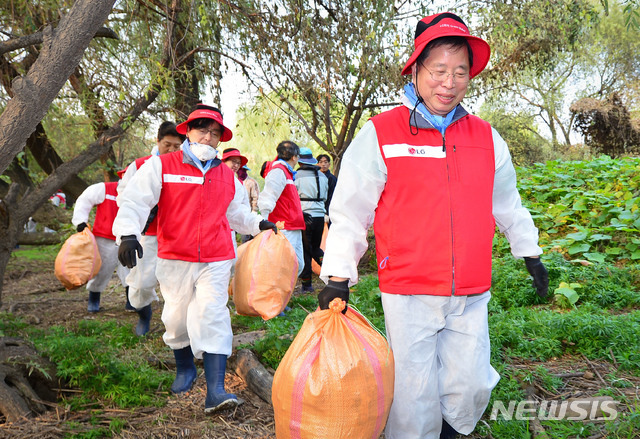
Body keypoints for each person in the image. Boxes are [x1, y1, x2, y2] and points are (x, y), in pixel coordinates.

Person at [317, 12, 549, 439]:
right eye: (439, 70)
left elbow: (507, 204)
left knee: (471, 387)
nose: (450, 81)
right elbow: (350, 211)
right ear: (416, 70)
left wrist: (529, 250)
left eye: (460, 71)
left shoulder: (487, 138)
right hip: (409, 288)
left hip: (471, 289)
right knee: (412, 395)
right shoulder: (381, 134)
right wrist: (337, 275)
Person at [112, 104, 277, 414]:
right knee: (176, 318)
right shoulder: (162, 166)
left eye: (215, 133)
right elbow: (135, 200)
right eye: (202, 129)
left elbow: (236, 212)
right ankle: (185, 367)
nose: (208, 136)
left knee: (213, 314)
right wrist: (128, 234)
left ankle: (215, 390)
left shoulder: (227, 175)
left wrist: (257, 224)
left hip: (216, 256)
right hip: (175, 255)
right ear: (187, 131)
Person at [117, 121, 185, 336]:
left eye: (177, 146)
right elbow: (124, 196)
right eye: (168, 145)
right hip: (149, 234)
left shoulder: (185, 166)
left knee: (178, 286)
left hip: (176, 234)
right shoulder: (140, 165)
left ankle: (177, 329)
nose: (172, 150)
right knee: (141, 283)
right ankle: (144, 315)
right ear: (157, 141)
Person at [72, 179, 130, 313]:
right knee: (101, 269)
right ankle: (93, 300)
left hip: (128, 237)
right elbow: (84, 200)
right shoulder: (105, 189)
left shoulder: (139, 191)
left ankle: (131, 301)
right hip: (104, 237)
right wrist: (80, 221)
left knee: (130, 269)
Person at [258, 141, 305, 276]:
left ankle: (282, 292)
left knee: (297, 264)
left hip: (293, 225)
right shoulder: (279, 171)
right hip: (284, 225)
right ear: (294, 157)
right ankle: (274, 293)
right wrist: (264, 220)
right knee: (284, 263)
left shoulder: (287, 172)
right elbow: (268, 196)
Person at [295, 147, 328, 292]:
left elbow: (292, 197)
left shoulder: (296, 175)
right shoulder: (322, 176)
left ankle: (307, 285)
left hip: (305, 216)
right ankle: (332, 270)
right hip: (320, 216)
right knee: (315, 248)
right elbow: (325, 197)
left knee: (305, 250)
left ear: (299, 161)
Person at [315, 154, 336, 221]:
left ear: (329, 164)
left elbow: (332, 196)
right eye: (321, 162)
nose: (323, 164)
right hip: (316, 209)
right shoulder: (314, 177)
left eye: (325, 162)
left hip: (328, 209)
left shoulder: (332, 178)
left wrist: (327, 211)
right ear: (317, 164)